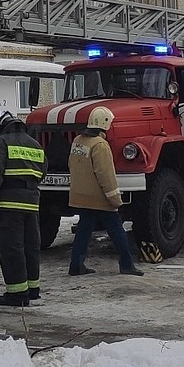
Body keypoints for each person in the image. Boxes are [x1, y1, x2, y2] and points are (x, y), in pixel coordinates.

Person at [0, 112, 46, 307]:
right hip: (32, 205)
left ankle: (17, 295)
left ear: (2, 129)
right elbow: (42, 173)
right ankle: (32, 290)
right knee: (31, 248)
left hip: (8, 206)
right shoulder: (35, 145)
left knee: (11, 249)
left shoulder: (1, 143)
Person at [67, 106, 143, 277]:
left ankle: (76, 266)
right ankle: (127, 264)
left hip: (80, 196)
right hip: (99, 199)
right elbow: (106, 176)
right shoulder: (100, 145)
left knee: (83, 231)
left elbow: (72, 165)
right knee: (117, 230)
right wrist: (115, 199)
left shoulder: (78, 140)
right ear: (105, 124)